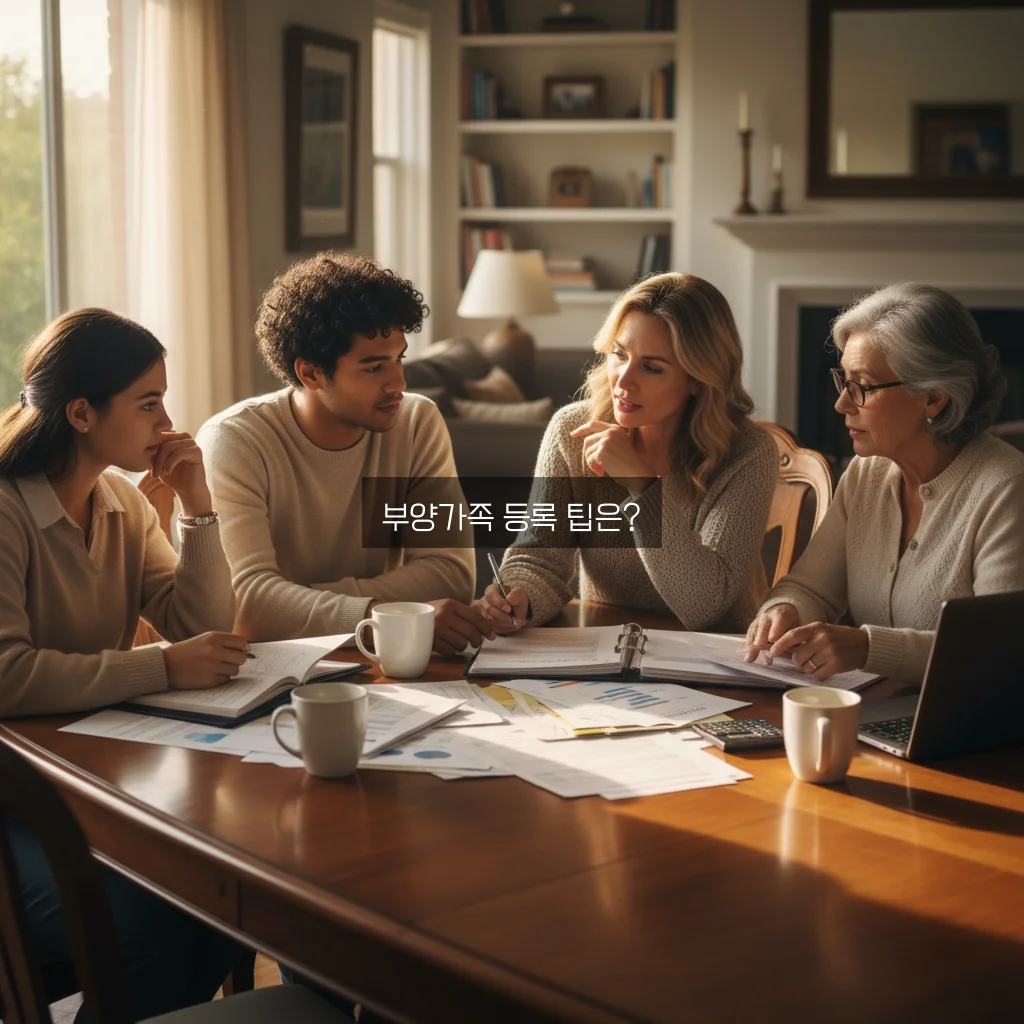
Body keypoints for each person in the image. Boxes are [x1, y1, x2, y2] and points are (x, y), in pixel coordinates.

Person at [0, 308, 245, 1021]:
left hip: (80, 781)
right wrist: (161, 669)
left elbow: (201, 627)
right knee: (143, 936)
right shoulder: (8, 513)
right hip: (15, 804)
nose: (167, 422)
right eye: (148, 403)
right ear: (82, 413)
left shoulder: (117, 503)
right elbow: (7, 676)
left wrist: (197, 505)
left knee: (219, 918)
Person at [198, 252, 492, 656]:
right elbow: (248, 606)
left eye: (399, 358)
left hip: (376, 658)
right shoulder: (235, 440)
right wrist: (383, 616)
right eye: (373, 368)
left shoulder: (416, 422)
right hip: (271, 668)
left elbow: (451, 574)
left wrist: (297, 601)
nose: (398, 383)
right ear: (311, 374)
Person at [744, 283, 1024, 683]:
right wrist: (784, 610)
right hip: (875, 713)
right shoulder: (867, 474)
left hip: (966, 734)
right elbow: (811, 588)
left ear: (933, 398)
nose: (842, 403)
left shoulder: (1006, 488)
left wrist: (869, 648)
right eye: (843, 381)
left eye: (863, 386)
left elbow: (999, 649)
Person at [480, 273, 778, 633]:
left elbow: (704, 606)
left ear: (699, 378)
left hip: (717, 663)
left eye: (651, 367)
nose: (622, 381)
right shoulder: (572, 432)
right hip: (606, 653)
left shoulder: (748, 453)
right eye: (619, 355)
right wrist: (518, 598)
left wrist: (643, 487)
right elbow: (539, 559)